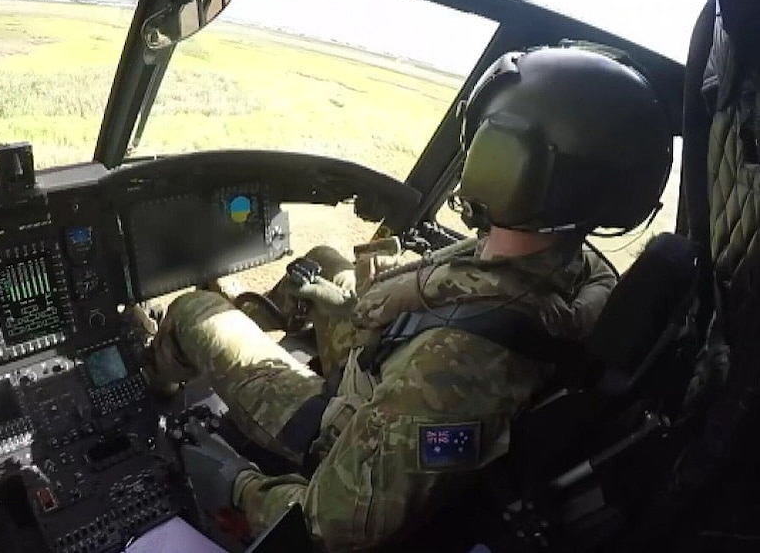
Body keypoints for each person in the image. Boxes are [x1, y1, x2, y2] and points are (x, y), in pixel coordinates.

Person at [145, 44, 674, 552]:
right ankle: (257, 316)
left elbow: (333, 525)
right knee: (328, 257)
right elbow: (454, 290)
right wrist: (373, 295)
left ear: (508, 160)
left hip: (344, 422)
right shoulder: (577, 272)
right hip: (387, 365)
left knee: (196, 312)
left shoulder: (458, 363)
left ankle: (156, 374)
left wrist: (235, 481)